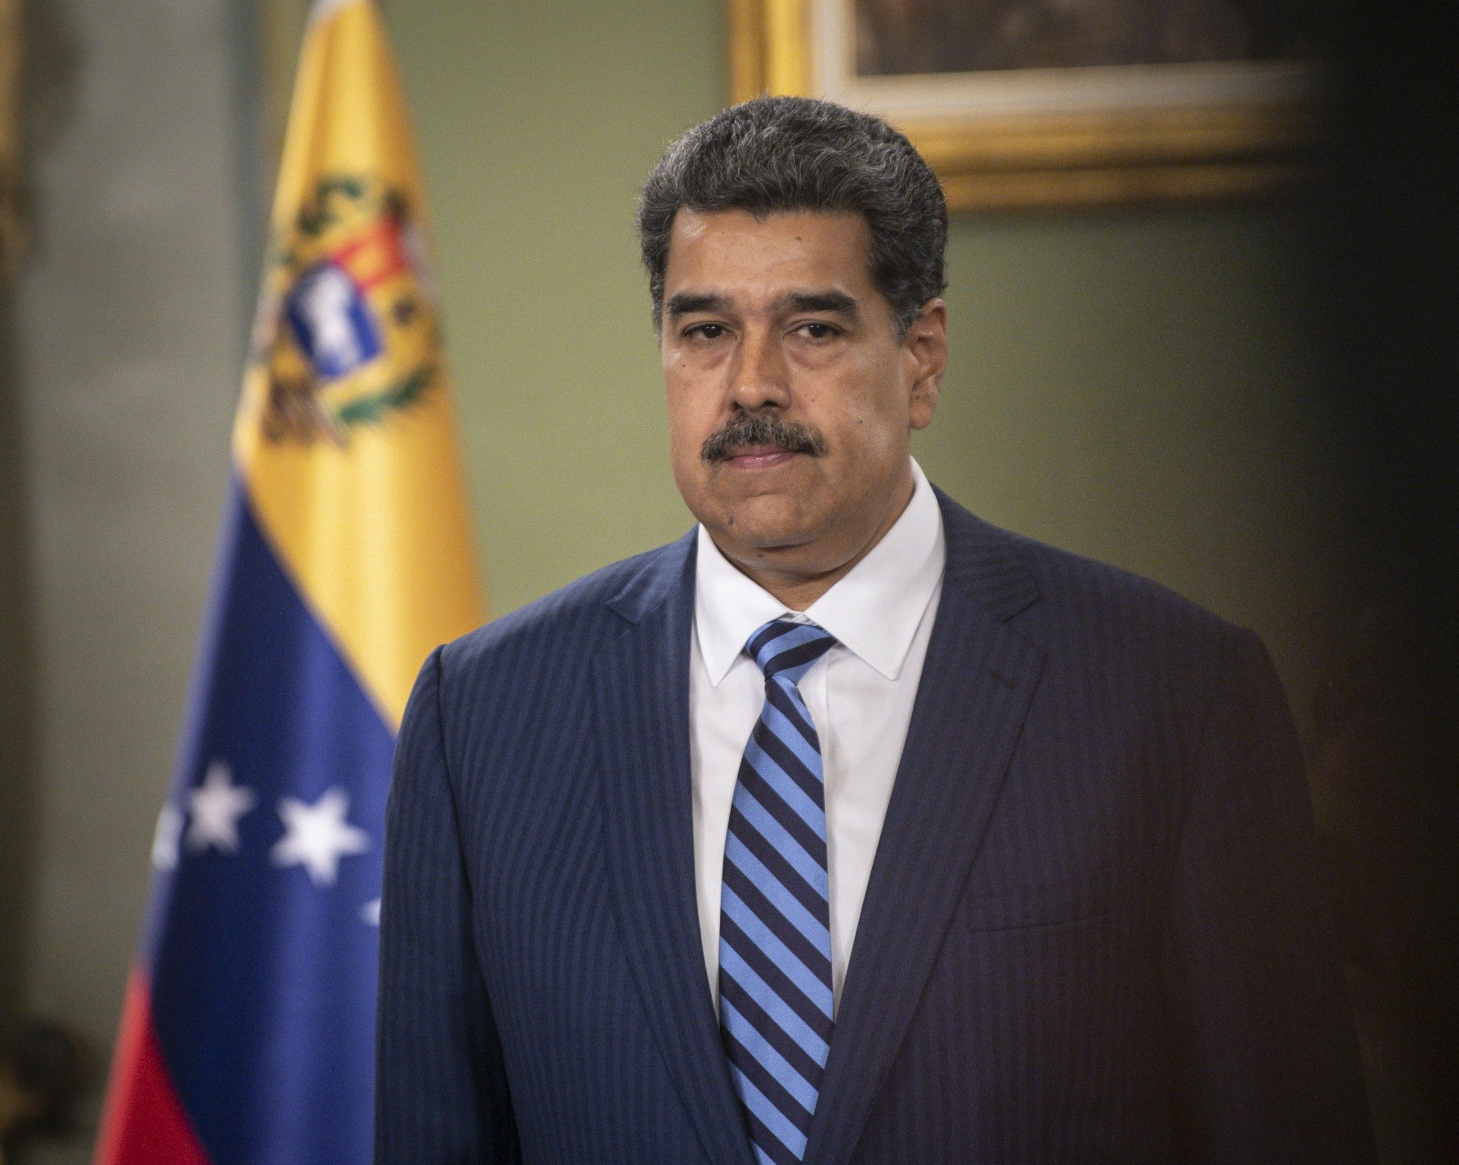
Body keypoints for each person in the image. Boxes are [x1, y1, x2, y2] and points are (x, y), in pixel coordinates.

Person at [375, 95, 1375, 1165]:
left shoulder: (1175, 696)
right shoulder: (481, 718)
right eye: (705, 331)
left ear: (922, 358)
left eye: (812, 328)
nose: (750, 384)